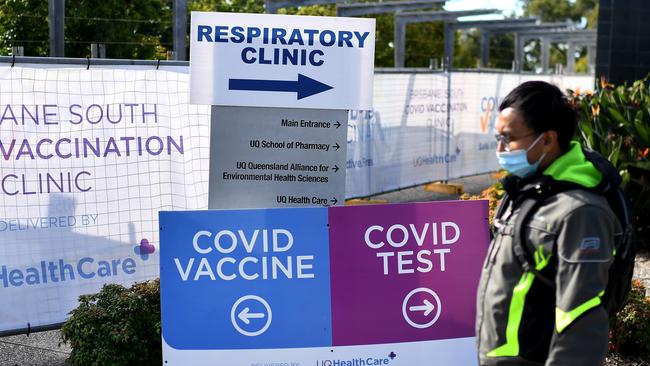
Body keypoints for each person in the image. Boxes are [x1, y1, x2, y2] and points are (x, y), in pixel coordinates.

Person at [475, 81, 622, 365]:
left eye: (508, 138)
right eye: (497, 138)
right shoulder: (527, 190)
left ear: (547, 140)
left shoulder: (581, 212)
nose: (501, 148)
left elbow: (582, 317)